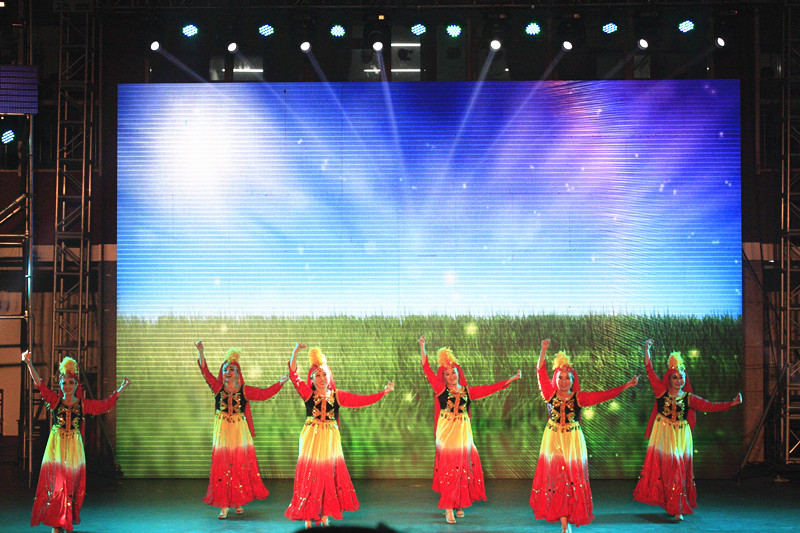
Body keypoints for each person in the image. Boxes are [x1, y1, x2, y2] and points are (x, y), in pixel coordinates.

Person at [530, 339, 638, 533]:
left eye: (568, 378)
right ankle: (563, 522)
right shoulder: (549, 394)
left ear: (573, 380)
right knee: (557, 478)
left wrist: (626, 386)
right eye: (560, 377)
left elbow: (603, 395)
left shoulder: (579, 398)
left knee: (570, 478)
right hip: (553, 441)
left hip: (573, 442)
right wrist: (543, 350)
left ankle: (567, 521)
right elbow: (540, 371)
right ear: (556, 379)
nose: (564, 381)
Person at [285, 343, 394, 529]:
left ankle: (325, 516)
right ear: (311, 379)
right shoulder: (307, 393)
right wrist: (295, 352)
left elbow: (360, 400)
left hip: (330, 438)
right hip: (312, 438)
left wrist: (383, 393)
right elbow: (293, 375)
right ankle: (308, 516)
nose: (321, 378)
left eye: (324, 374)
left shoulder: (337, 395)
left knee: (328, 475)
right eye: (317, 375)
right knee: (310, 474)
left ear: (329, 376)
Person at [633, 339, 742, 521]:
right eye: (675, 377)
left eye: (682, 377)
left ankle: (677, 507)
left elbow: (709, 405)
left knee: (678, 469)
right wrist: (646, 349)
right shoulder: (661, 391)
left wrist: (731, 403)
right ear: (669, 379)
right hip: (664, 434)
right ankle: (671, 503)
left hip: (681, 435)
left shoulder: (689, 397)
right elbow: (649, 370)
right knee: (667, 470)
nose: (679, 380)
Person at [22, 350, 130, 533]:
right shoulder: (55, 401)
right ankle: (57, 523)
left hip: (74, 447)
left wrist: (120, 389)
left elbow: (104, 405)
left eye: (71, 383)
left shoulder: (83, 404)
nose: (67, 386)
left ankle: (65, 520)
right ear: (60, 385)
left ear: (76, 385)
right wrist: (28, 363)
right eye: (64, 383)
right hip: (57, 446)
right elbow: (40, 384)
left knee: (70, 484)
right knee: (58, 483)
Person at [418, 335, 522, 525]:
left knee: (462, 468)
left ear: (458, 373)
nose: (451, 376)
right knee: (449, 468)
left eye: (454, 372)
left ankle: (459, 503)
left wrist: (510, 379)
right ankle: (448, 508)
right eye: (447, 374)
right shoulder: (440, 390)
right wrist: (422, 346)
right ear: (443, 377)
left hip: (463, 433)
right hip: (446, 433)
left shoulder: (468, 391)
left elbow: (489, 389)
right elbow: (426, 368)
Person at [195, 341, 287, 519]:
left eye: (231, 369)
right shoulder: (217, 388)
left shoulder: (245, 390)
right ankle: (224, 505)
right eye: (225, 369)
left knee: (238, 465)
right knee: (223, 465)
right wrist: (201, 351)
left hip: (239, 430)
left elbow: (263, 394)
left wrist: (280, 383)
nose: (227, 372)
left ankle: (238, 501)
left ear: (238, 373)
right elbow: (205, 371)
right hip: (223, 431)